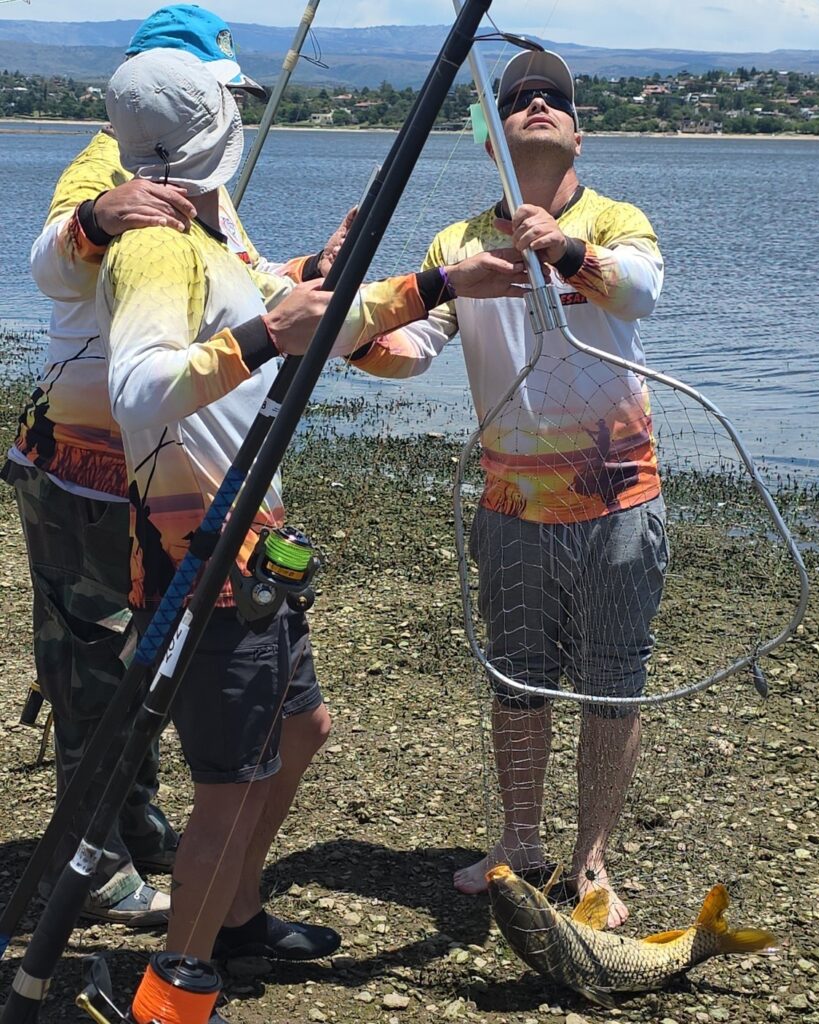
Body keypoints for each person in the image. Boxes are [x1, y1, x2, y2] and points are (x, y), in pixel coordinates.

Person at [98, 44, 528, 991]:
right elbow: (138, 390)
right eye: (230, 105)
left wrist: (442, 284)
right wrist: (262, 337)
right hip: (198, 560)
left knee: (301, 733)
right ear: (208, 122)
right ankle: (179, 983)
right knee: (230, 785)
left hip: (253, 551)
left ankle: (236, 919)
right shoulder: (158, 246)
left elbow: (312, 317)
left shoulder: (209, 232)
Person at [1, 4, 357, 940]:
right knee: (96, 666)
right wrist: (93, 215)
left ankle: (135, 818)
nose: (233, 110)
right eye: (223, 92)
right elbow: (51, 267)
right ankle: (99, 863)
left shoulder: (201, 180)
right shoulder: (112, 157)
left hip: (159, 468)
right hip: (89, 471)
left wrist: (301, 278)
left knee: (147, 661)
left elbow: (233, 281)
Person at [346, 49, 668, 929]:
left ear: (576, 132)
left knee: (612, 681)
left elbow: (639, 292)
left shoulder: (616, 217)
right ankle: (518, 843)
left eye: (552, 99)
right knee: (518, 679)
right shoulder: (456, 244)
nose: (533, 104)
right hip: (512, 505)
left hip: (618, 497)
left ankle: (590, 858)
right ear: (491, 136)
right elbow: (413, 352)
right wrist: (352, 326)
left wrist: (561, 247)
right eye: (516, 97)